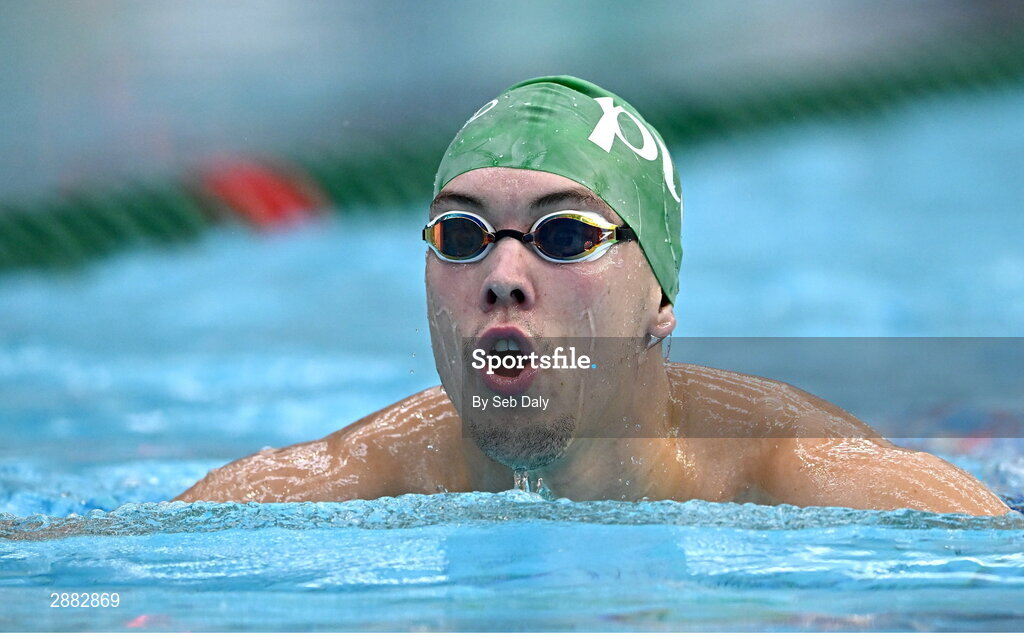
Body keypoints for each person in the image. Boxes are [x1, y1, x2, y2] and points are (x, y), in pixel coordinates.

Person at [175, 76, 1009, 515]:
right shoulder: (330, 488)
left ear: (661, 300)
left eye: (565, 235)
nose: (502, 276)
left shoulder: (823, 488)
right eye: (462, 237)